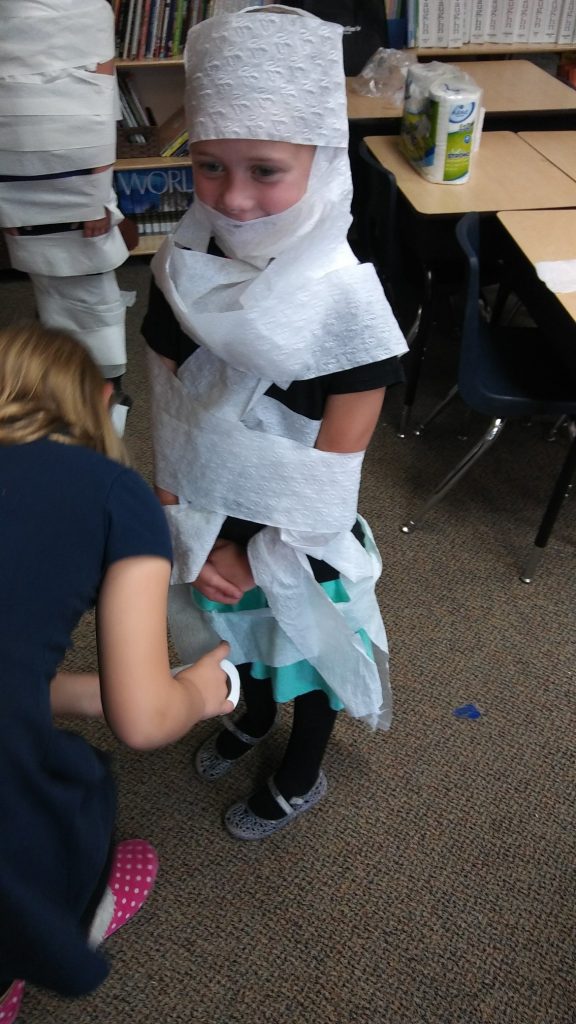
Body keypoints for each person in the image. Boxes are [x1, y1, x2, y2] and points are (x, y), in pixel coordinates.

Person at [142, 4, 408, 841]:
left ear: (322, 162)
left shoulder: (347, 306)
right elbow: (170, 422)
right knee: (241, 643)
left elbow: (327, 482)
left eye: (266, 170)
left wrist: (250, 552)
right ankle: (254, 716)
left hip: (296, 541)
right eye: (209, 166)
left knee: (306, 650)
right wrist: (185, 529)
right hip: (208, 518)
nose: (234, 197)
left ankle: (303, 765)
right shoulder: (179, 271)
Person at [0, 323, 233, 1023]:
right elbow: (145, 722)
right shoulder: (113, 491)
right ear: (102, 402)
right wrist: (192, 691)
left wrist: (91, 694)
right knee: (59, 807)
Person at [0, 0, 134, 430]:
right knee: (49, 282)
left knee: (91, 286)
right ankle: (67, 385)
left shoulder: (85, 13)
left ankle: (105, 396)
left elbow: (97, 106)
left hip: (77, 182)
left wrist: (93, 199)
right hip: (17, 178)